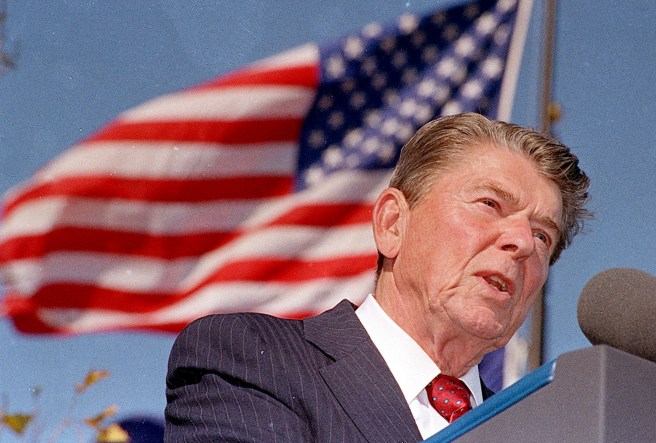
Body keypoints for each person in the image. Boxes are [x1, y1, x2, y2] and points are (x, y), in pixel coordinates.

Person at [164, 112, 591, 442]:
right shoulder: (254, 360)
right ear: (392, 225)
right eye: (489, 204)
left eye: (542, 235)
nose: (521, 242)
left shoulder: (535, 432)